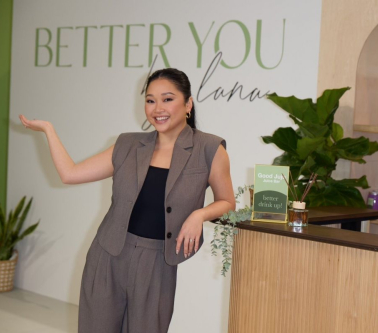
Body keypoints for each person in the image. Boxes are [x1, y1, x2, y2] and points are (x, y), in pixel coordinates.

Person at [19, 68, 235, 333]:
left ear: (188, 104)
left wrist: (198, 215)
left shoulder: (210, 149)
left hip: (158, 264)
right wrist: (48, 130)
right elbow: (69, 173)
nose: (158, 108)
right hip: (108, 255)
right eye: (150, 100)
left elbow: (227, 202)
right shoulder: (127, 145)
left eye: (168, 99)